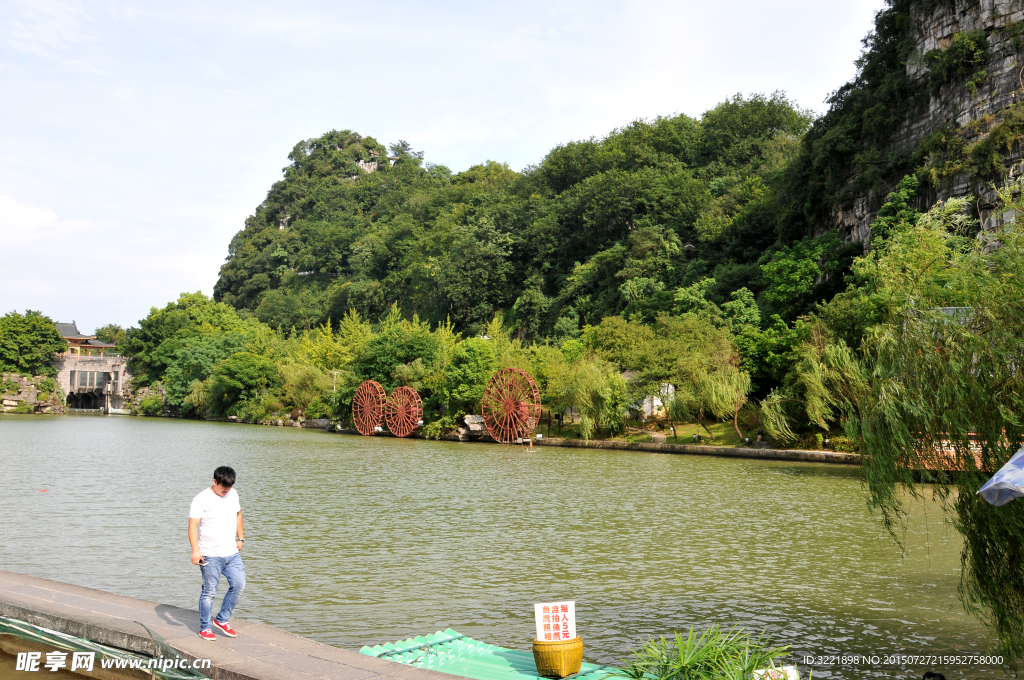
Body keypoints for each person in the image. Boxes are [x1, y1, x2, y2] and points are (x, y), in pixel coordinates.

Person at [188, 465, 245, 640]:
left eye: (228, 488)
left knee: (239, 584)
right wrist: (195, 551)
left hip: (231, 552)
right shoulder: (201, 499)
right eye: (222, 488)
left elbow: (238, 514)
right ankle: (205, 627)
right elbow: (192, 526)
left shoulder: (233, 494)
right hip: (210, 555)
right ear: (214, 482)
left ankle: (222, 619)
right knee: (209, 592)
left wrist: (241, 538)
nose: (225, 491)